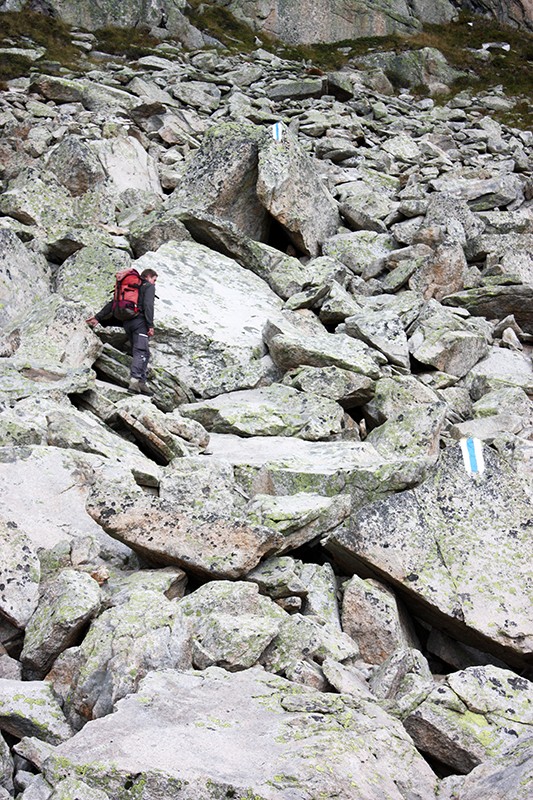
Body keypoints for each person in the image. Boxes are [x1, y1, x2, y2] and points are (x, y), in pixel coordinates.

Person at [86, 268, 158, 396]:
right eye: (154, 280)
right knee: (141, 351)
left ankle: (141, 382)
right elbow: (148, 306)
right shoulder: (148, 287)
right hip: (139, 323)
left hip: (127, 322)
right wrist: (150, 325)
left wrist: (98, 317)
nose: (154, 283)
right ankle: (135, 382)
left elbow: (113, 303)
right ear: (148, 277)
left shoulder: (130, 287)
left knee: (143, 352)